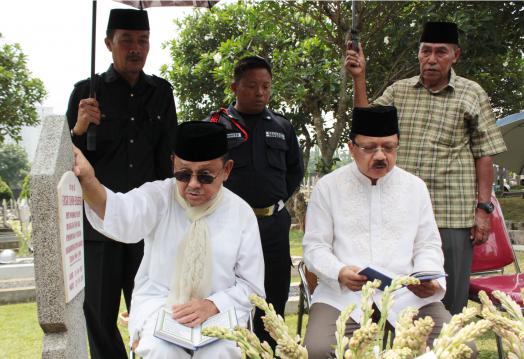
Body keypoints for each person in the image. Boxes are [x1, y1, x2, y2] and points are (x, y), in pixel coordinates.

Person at [345, 21, 506, 314]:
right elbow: (364, 123)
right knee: (398, 298)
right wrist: (359, 77)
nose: (432, 59)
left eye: (440, 52)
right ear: (419, 54)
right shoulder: (399, 91)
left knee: (449, 300)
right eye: (426, 51)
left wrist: (484, 209)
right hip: (400, 214)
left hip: (451, 214)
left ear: (455, 55)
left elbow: (485, 154)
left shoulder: (472, 94)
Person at [73, 121, 265, 359]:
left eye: (205, 176)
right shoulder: (159, 197)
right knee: (161, 350)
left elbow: (252, 287)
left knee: (222, 351)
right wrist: (89, 180)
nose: (193, 184)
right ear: (173, 162)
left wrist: (213, 305)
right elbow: (120, 212)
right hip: (161, 307)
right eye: (183, 174)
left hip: (219, 312)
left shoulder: (241, 213)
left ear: (226, 170)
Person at [302, 106, 477, 358]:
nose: (381, 156)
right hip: (343, 295)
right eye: (370, 148)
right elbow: (315, 247)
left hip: (406, 295)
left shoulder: (415, 188)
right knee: (317, 351)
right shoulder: (328, 187)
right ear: (352, 148)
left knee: (462, 350)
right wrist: (339, 272)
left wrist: (428, 279)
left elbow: (427, 245)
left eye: (389, 147)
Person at [66, 8, 177, 358]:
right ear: (108, 43)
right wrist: (80, 127)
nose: (135, 48)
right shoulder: (86, 92)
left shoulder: (161, 92)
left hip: (148, 226)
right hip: (99, 227)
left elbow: (170, 159)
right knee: (98, 315)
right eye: (126, 40)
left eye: (142, 41)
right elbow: (66, 161)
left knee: (154, 308)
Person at [206, 55, 304, 348]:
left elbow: (293, 173)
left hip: (271, 227)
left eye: (266, 86)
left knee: (272, 300)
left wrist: (269, 206)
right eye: (251, 86)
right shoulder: (217, 126)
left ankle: (270, 351)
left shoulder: (282, 127)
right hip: (229, 227)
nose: (260, 93)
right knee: (227, 298)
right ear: (234, 87)